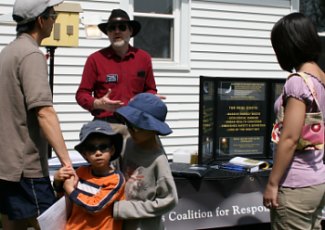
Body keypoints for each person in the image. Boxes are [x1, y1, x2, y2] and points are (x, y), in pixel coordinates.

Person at [0, 0, 77, 229]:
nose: (55, 20)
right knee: (52, 224)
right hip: (27, 165)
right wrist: (67, 164)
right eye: (53, 15)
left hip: (5, 164)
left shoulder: (7, 52)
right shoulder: (31, 55)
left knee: (12, 224)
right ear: (41, 20)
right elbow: (44, 112)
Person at [263, 12, 325, 230]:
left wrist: (272, 183)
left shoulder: (297, 83)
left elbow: (289, 138)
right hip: (317, 180)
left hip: (294, 184)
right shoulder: (321, 78)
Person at [75, 9, 158, 125]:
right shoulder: (95, 59)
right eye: (112, 28)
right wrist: (98, 103)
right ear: (108, 33)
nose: (117, 31)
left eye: (122, 27)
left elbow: (151, 89)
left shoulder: (144, 58)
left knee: (154, 143)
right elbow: (82, 94)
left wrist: (149, 98)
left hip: (137, 121)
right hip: (106, 122)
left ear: (130, 31)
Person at [113, 93, 178, 230]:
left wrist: (125, 209)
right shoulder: (127, 142)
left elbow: (169, 200)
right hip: (120, 223)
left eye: (137, 128)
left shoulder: (158, 160)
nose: (131, 131)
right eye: (129, 125)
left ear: (154, 129)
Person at [53, 120, 125, 230]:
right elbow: (64, 202)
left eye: (103, 147)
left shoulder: (116, 180)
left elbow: (95, 207)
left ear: (112, 150)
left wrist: (70, 189)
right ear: (84, 154)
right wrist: (58, 182)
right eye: (92, 148)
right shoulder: (80, 172)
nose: (98, 153)